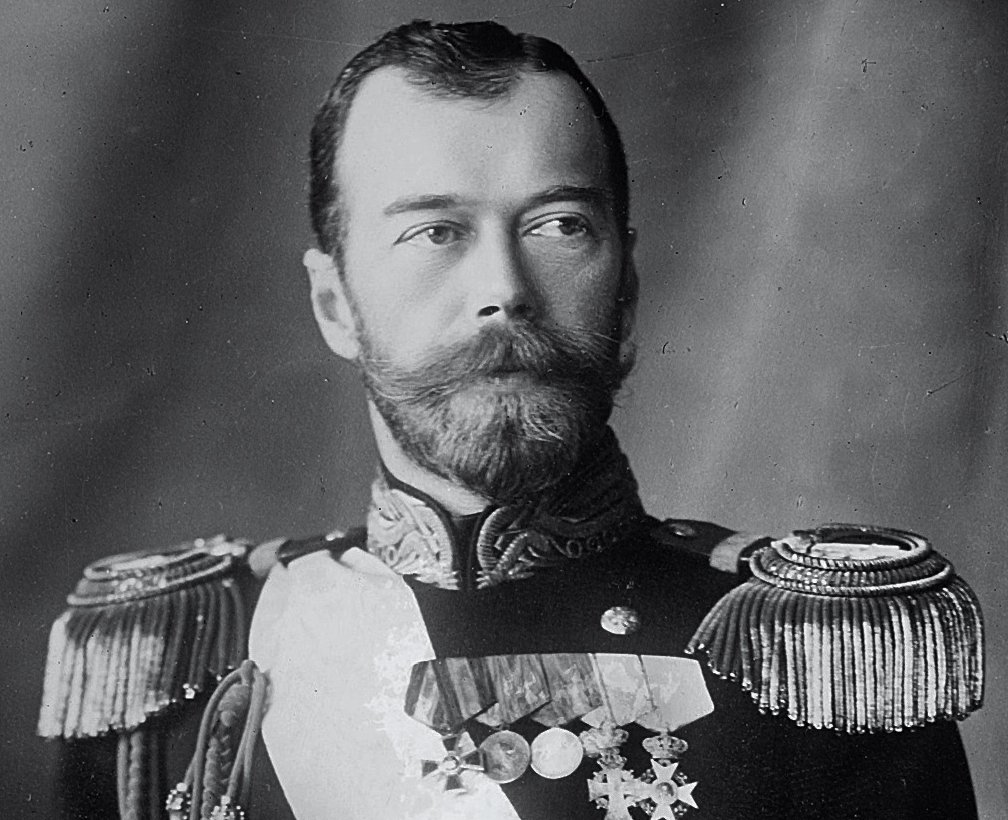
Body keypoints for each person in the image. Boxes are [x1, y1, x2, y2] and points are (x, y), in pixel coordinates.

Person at [39, 20, 984, 820]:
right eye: (433, 232)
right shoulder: (174, 659)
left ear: (628, 288)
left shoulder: (814, 655)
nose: (502, 289)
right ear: (333, 304)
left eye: (558, 224)